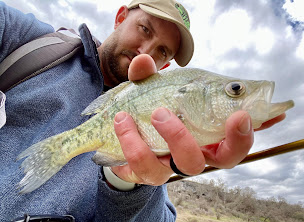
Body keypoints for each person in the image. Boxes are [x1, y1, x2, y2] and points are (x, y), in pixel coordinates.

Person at [0, 0, 285, 221]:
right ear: (121, 17)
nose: (146, 52)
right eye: (145, 29)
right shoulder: (29, 42)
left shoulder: (162, 151)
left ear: (166, 67)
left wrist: (128, 182)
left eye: (162, 51)